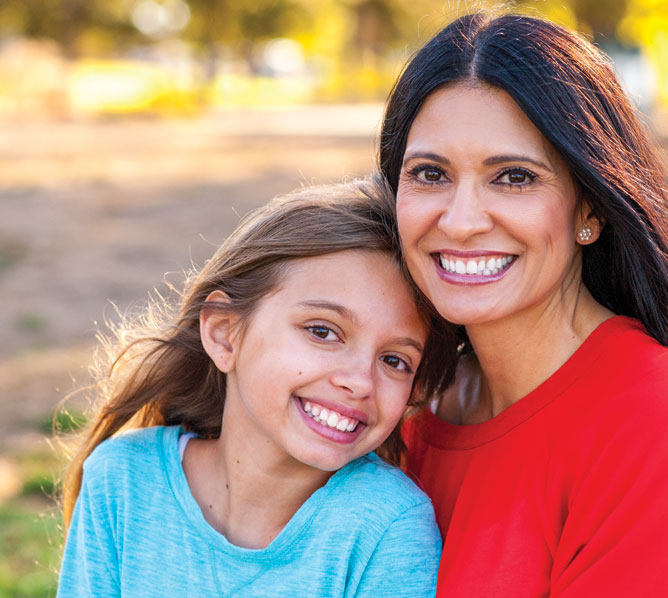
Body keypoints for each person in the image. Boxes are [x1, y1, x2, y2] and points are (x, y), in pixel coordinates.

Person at [379, 12, 668, 598]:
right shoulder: (396, 402)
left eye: (514, 178)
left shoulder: (661, 423)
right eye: (430, 173)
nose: (461, 221)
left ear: (589, 210)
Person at [57, 176, 458, 597]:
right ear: (225, 334)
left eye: (394, 360)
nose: (359, 381)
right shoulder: (123, 479)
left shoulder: (386, 528)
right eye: (322, 331)